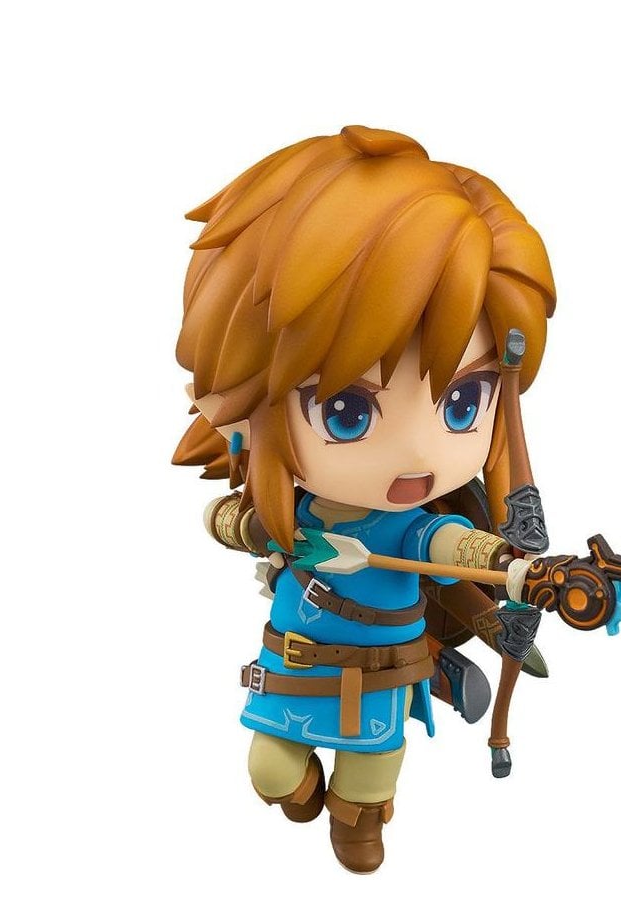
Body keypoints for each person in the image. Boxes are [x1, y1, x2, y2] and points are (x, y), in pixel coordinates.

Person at [173, 125, 555, 872]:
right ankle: (303, 795)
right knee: (271, 770)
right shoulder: (293, 516)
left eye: (462, 403)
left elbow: (450, 544)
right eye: (346, 411)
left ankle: (359, 821)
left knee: (368, 781)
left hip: (382, 673)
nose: (417, 457)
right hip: (294, 663)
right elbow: (225, 523)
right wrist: (245, 523)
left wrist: (513, 568)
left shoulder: (408, 529)